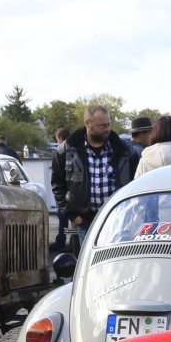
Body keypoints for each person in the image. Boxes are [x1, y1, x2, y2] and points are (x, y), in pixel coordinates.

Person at [52, 104, 134, 250]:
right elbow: (57, 184)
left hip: (119, 219)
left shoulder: (124, 149)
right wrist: (72, 214)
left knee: (118, 261)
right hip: (85, 222)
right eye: (102, 125)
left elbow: (137, 181)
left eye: (109, 124)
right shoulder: (66, 150)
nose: (107, 129)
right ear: (88, 124)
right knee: (89, 261)